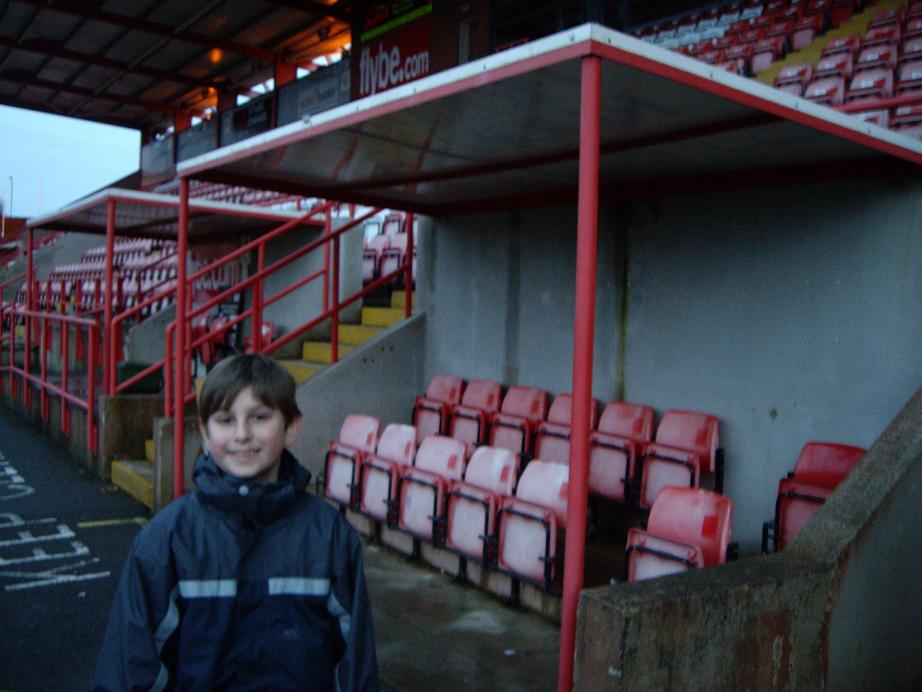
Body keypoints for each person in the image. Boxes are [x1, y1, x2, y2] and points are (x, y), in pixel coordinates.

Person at [92, 354, 379, 691]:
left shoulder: (330, 536)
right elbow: (128, 667)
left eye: (260, 417)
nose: (242, 434)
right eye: (226, 419)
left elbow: (355, 667)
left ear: (290, 427)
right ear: (205, 432)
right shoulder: (168, 538)